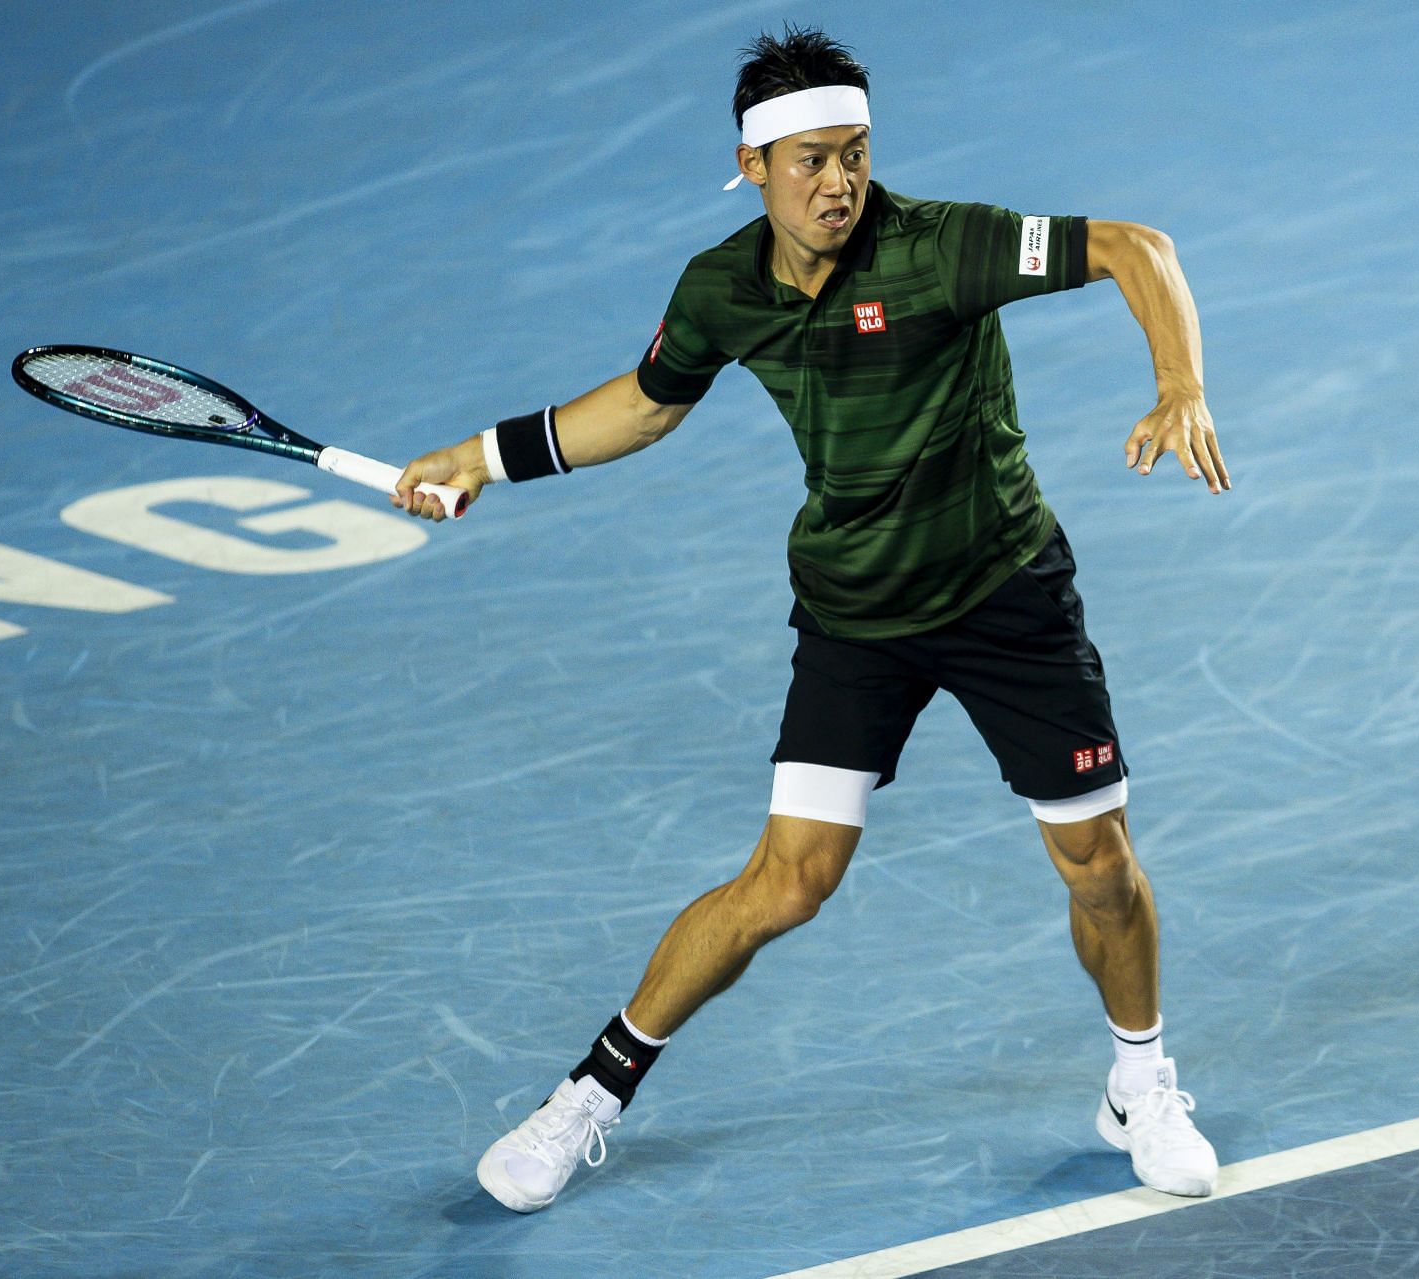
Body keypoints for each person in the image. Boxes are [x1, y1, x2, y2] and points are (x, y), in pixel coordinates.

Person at [393, 26, 1231, 1214]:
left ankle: (1141, 1085)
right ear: (751, 166)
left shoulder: (943, 248)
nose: (839, 183)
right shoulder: (722, 288)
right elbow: (643, 406)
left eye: (855, 155)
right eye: (811, 163)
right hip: (856, 610)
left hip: (1007, 596)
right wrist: (483, 458)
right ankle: (588, 1091)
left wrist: (1180, 382)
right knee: (788, 881)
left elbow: (1134, 248)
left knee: (1099, 863)